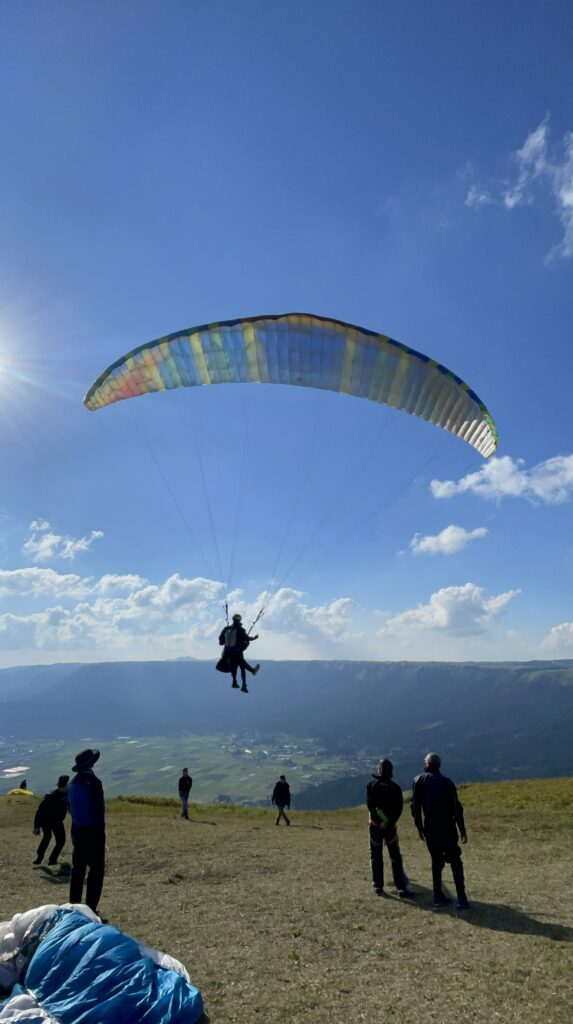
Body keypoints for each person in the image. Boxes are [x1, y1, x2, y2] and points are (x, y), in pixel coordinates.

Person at [411, 752, 469, 910]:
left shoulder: (418, 781)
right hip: (448, 828)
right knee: (455, 860)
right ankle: (462, 898)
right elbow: (457, 808)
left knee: (436, 861)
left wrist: (419, 828)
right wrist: (462, 829)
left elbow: (415, 807)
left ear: (428, 764)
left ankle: (437, 896)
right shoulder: (447, 783)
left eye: (425, 761)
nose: (423, 762)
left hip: (431, 827)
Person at [366, 758, 415, 898]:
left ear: (379, 770)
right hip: (390, 828)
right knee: (395, 857)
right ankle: (401, 887)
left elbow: (370, 805)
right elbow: (398, 809)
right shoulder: (396, 788)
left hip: (375, 827)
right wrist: (388, 821)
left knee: (376, 854)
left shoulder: (371, 785)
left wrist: (379, 820)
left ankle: (378, 886)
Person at [67, 749, 106, 915]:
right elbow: (99, 811)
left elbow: (70, 808)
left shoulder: (72, 783)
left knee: (78, 869)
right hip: (93, 831)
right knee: (96, 871)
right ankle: (91, 910)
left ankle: (73, 907)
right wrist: (101, 833)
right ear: (92, 763)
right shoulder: (94, 782)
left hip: (77, 830)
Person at [32, 775, 69, 866]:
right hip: (46, 821)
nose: (66, 788)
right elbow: (39, 811)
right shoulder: (50, 796)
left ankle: (52, 860)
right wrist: (37, 826)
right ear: (61, 787)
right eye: (64, 786)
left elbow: (70, 806)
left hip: (57, 822)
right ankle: (39, 857)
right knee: (47, 837)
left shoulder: (67, 795)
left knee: (61, 841)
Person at [218, 613, 260, 693]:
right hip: (236, 652)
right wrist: (254, 638)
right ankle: (247, 680)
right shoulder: (240, 629)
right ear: (239, 620)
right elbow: (246, 638)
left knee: (234, 666)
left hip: (227, 653)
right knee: (242, 665)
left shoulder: (226, 628)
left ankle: (234, 682)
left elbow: (221, 641)